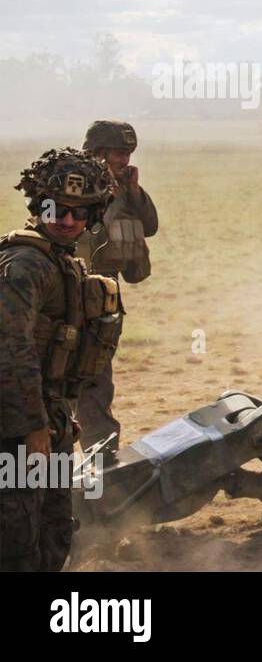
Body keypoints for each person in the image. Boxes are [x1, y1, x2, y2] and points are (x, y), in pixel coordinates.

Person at [1, 148, 123, 571]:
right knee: (18, 540)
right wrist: (34, 426)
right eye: (56, 208)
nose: (66, 219)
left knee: (54, 530)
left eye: (78, 211)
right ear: (39, 206)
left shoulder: (59, 261)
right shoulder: (25, 265)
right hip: (15, 427)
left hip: (45, 419)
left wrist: (56, 415)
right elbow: (11, 352)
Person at [75, 120, 159, 458]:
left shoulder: (123, 187)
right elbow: (84, 230)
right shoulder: (74, 182)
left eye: (127, 154)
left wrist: (133, 192)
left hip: (106, 294)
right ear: (97, 153)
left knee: (97, 376)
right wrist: (108, 197)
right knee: (69, 378)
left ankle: (102, 463)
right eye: (118, 153)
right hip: (72, 287)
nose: (124, 160)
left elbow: (150, 226)